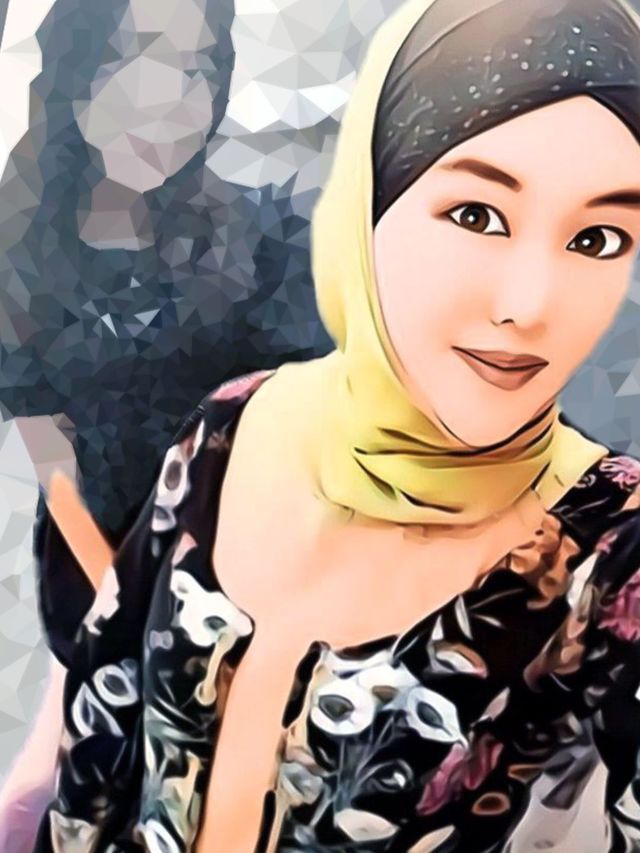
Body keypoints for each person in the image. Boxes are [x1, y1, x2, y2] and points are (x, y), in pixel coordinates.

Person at [4, 0, 640, 850]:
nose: (529, 306)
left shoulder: (614, 549)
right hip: (103, 541)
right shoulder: (229, 427)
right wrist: (117, 599)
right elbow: (101, 742)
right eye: (476, 214)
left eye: (598, 238)